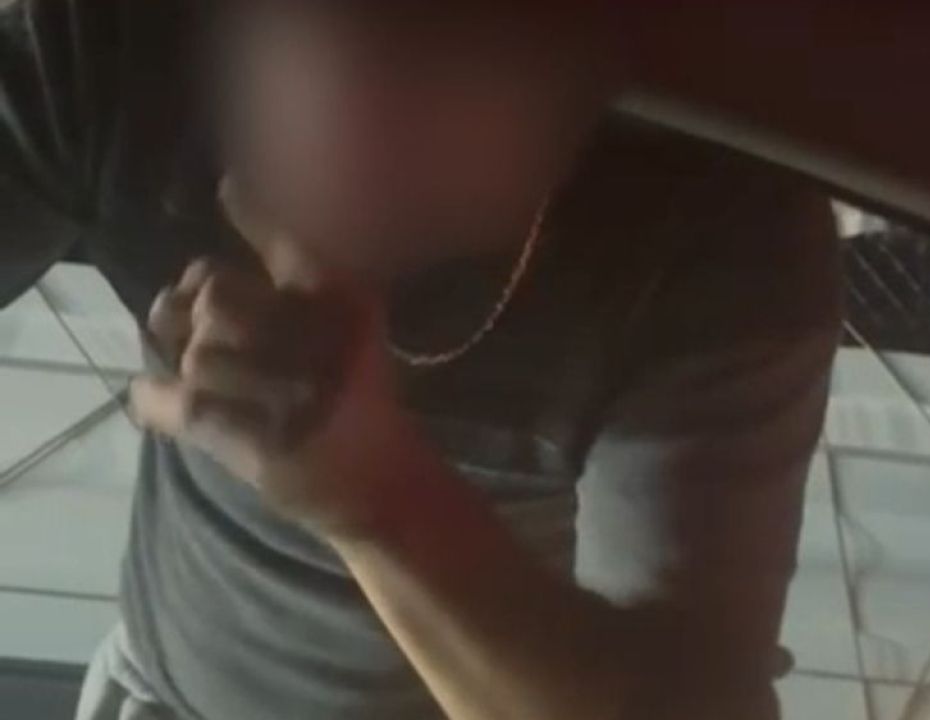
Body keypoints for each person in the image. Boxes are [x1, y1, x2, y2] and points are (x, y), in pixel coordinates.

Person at [0, 2, 840, 719]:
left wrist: (378, 495)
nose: (344, 89)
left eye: (447, 35)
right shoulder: (118, 43)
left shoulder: (718, 235)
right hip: (168, 695)